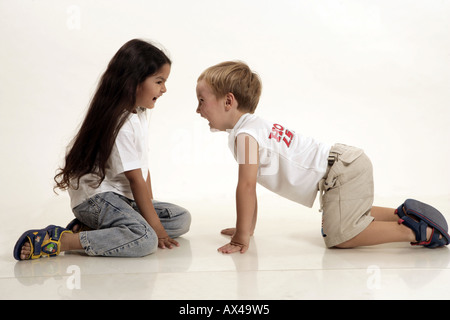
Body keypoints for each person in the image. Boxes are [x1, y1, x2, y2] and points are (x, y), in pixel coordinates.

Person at [195, 60, 449, 254]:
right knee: (344, 212)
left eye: (202, 101)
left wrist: (241, 238)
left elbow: (247, 187)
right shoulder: (253, 127)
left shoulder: (246, 136)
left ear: (228, 101)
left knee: (340, 235)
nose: (198, 110)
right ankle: (402, 213)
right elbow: (252, 187)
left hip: (341, 171)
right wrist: (246, 229)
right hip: (343, 165)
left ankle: (415, 231)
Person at [14, 39, 191, 260]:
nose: (164, 89)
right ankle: (60, 240)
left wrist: (149, 211)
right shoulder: (122, 123)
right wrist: (156, 228)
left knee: (182, 218)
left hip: (122, 197)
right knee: (146, 239)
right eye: (159, 81)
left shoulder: (139, 112)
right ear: (135, 82)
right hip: (96, 199)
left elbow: (143, 169)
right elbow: (135, 179)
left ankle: (95, 230)